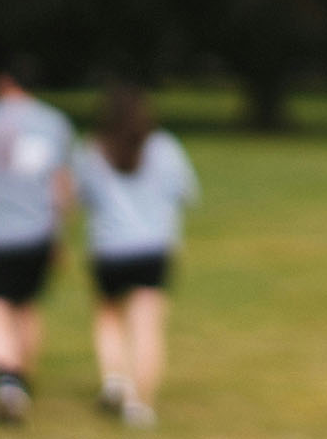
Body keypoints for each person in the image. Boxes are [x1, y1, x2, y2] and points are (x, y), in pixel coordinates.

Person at [0, 71, 75, 423]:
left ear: (3, 82)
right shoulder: (54, 122)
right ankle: (21, 377)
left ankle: (6, 379)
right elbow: (62, 185)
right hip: (37, 232)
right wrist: (58, 232)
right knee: (27, 306)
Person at [72, 85, 199, 427]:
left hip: (109, 250)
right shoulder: (166, 147)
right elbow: (188, 192)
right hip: (154, 249)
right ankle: (139, 405)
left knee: (109, 316)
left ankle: (115, 379)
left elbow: (78, 196)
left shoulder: (92, 149)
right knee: (147, 327)